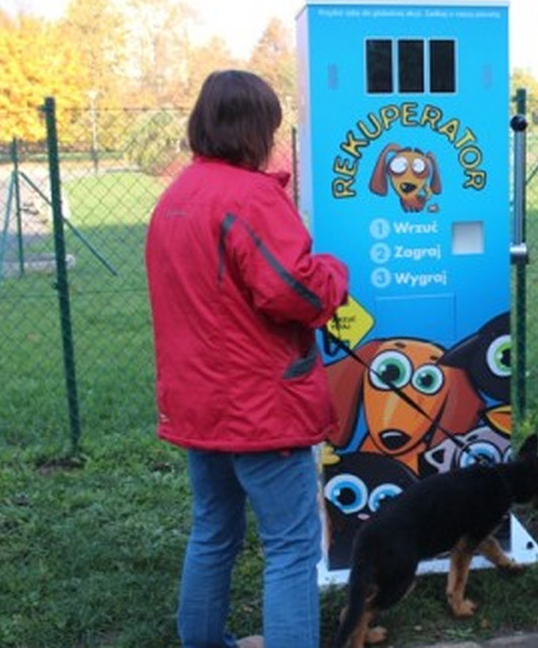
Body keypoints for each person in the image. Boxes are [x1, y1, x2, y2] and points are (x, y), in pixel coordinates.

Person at [145, 70, 349, 648]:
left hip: (199, 404)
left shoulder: (176, 198)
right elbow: (297, 292)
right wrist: (335, 273)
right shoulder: (251, 197)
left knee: (213, 531)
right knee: (290, 546)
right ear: (256, 130)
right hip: (260, 406)